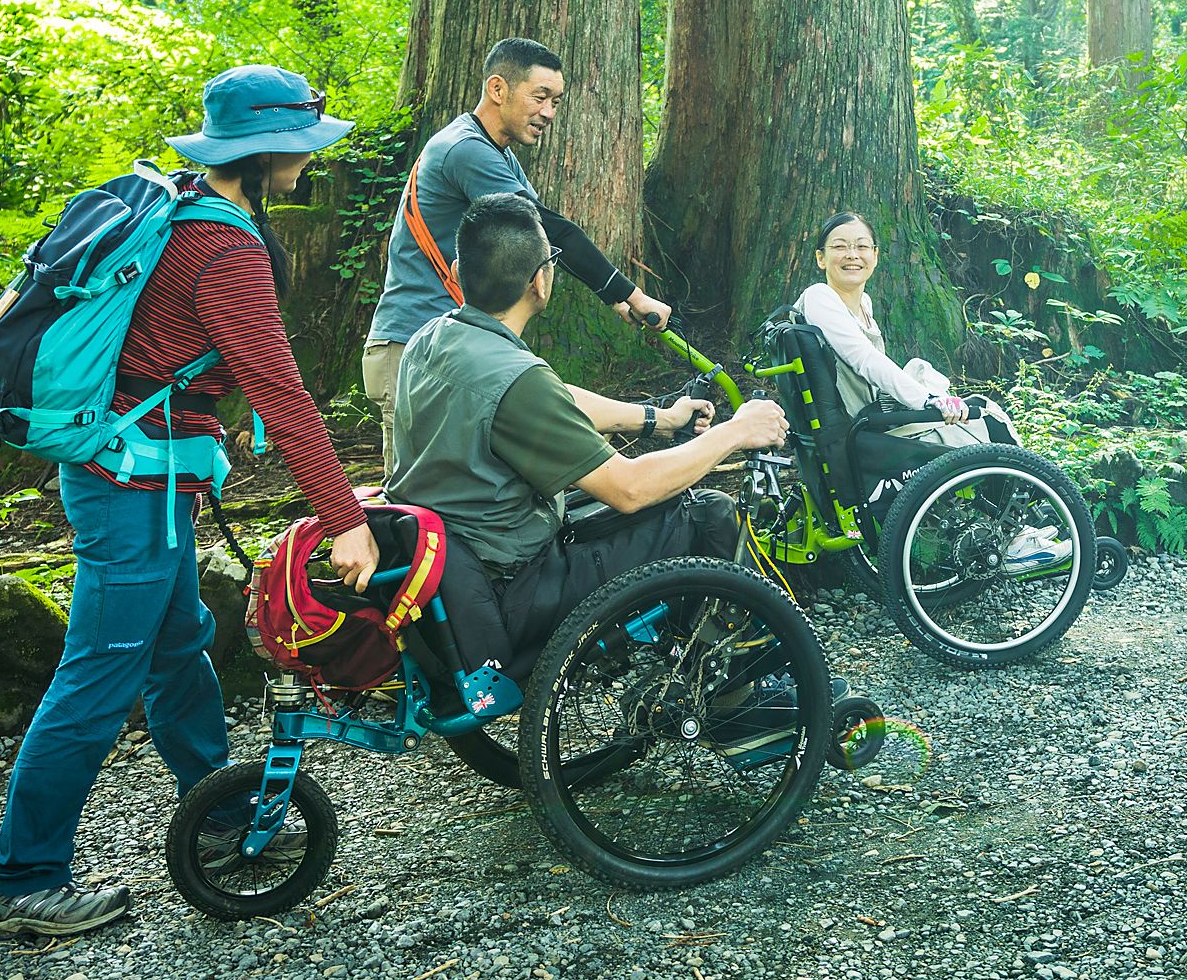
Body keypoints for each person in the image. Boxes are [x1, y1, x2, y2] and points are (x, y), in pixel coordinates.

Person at [0, 66, 381, 941]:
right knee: (99, 673)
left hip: (140, 475)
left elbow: (179, 359)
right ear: (263, 149)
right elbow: (280, 388)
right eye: (300, 147)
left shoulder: (185, 211)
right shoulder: (227, 248)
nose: (308, 162)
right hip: (132, 488)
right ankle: (23, 876)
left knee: (178, 648)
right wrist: (347, 519)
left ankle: (228, 814)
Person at [385, 194, 789, 685]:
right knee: (707, 514)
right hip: (516, 588)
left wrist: (656, 419)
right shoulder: (514, 378)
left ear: (456, 270)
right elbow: (630, 488)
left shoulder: (432, 339)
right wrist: (735, 432)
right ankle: (727, 691)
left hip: (456, 579)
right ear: (540, 280)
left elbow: (555, 396)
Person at [363, 39, 672, 470]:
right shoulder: (465, 149)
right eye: (540, 96)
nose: (549, 112)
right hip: (413, 345)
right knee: (419, 507)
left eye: (556, 102)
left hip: (453, 345)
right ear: (498, 89)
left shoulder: (496, 152)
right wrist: (631, 295)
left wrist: (618, 298)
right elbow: (543, 228)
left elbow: (541, 239)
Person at [794, 212, 1068, 575]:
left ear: (875, 255)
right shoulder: (819, 297)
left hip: (871, 419)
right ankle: (1012, 539)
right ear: (820, 257)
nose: (852, 255)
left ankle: (1012, 529)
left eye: (861, 246)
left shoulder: (863, 305)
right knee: (988, 419)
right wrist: (925, 401)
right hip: (866, 431)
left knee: (979, 409)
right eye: (839, 247)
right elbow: (864, 361)